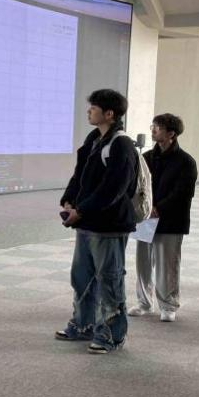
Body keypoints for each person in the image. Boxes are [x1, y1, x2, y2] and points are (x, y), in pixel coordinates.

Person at [54, 89, 137, 353]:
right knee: (82, 277)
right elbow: (79, 176)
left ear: (109, 114)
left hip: (109, 226)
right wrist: (69, 200)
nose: (89, 111)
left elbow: (113, 189)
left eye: (94, 107)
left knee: (109, 280)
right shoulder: (93, 139)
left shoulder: (121, 144)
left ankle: (112, 334)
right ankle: (83, 324)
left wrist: (81, 211)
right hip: (87, 224)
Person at [129, 113, 197, 322]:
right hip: (146, 216)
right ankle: (144, 302)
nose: (153, 130)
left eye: (157, 127)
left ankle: (168, 305)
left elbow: (183, 192)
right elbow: (139, 184)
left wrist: (159, 208)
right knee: (143, 262)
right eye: (153, 126)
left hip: (171, 219)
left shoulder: (186, 161)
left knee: (167, 264)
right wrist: (145, 207)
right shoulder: (147, 157)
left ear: (171, 134)